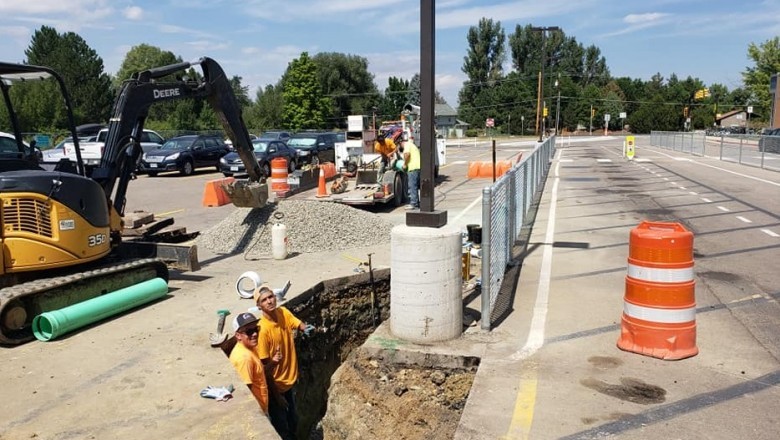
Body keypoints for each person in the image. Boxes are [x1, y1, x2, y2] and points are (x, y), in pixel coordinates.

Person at [254, 285, 315, 440]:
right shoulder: (263, 331)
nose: (269, 301)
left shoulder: (283, 313)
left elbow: (297, 323)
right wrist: (277, 396)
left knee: (293, 421)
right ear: (259, 305)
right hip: (276, 388)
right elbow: (266, 371)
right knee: (282, 428)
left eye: (271, 297)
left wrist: (305, 328)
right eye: (264, 300)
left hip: (288, 383)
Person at [228, 312, 270, 415]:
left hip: (263, 407)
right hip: (258, 412)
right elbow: (246, 392)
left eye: (256, 329)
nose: (255, 334)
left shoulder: (250, 348)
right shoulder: (244, 358)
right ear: (238, 335)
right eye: (249, 331)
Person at [402, 138, 421, 210]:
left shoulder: (407, 145)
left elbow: (407, 154)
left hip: (413, 168)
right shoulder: (412, 145)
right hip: (418, 167)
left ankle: (414, 203)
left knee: (412, 186)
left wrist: (405, 164)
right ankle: (416, 202)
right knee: (415, 187)